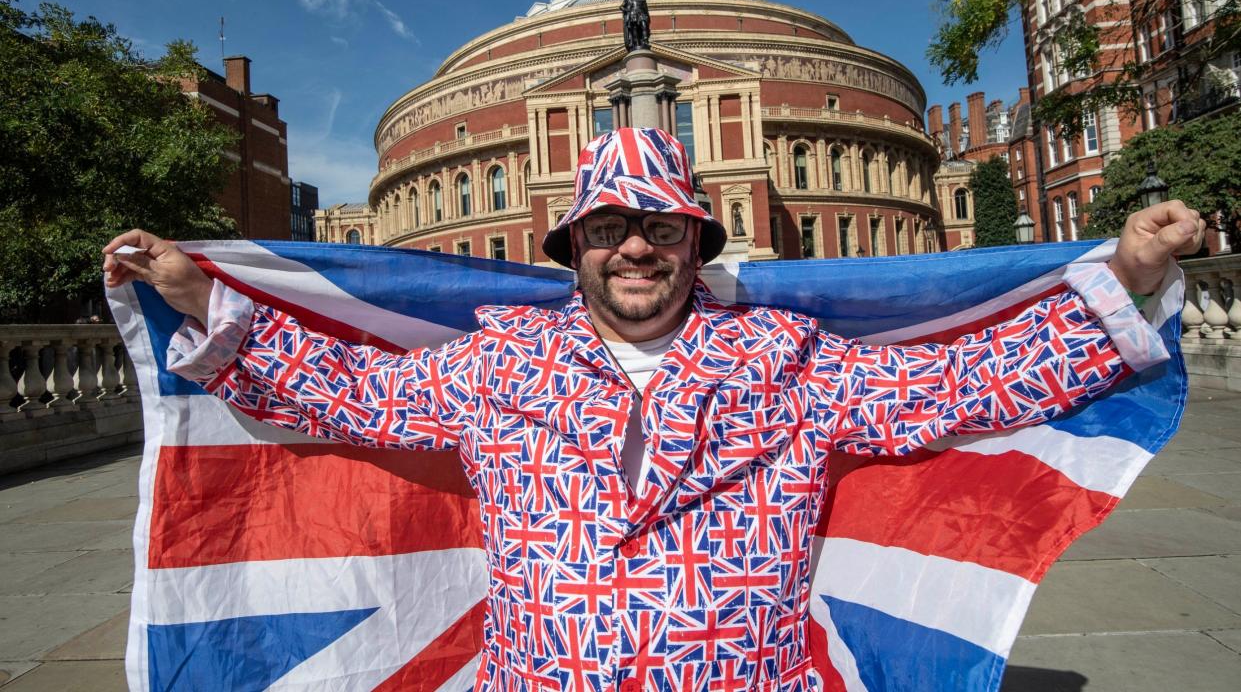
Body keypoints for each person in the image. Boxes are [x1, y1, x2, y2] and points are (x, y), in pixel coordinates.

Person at [104, 127, 1202, 690]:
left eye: (661, 227)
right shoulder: (499, 362)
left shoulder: (786, 360)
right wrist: (205, 299)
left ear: (693, 242)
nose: (634, 246)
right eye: (608, 229)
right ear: (574, 248)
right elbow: (343, 391)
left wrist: (1125, 273)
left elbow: (957, 384)